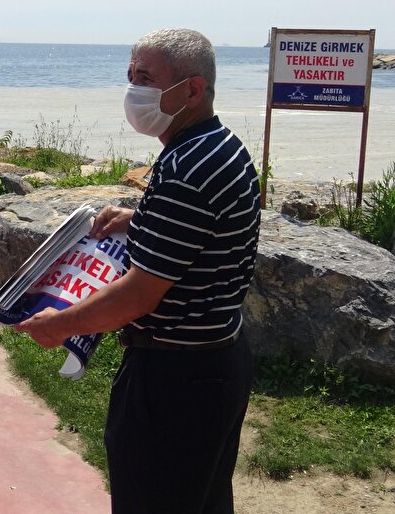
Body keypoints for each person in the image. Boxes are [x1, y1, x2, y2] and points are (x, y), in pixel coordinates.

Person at [16, 28, 259, 514]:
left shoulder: (186, 170)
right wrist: (140, 218)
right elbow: (205, 231)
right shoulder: (216, 146)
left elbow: (138, 296)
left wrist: (60, 324)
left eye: (146, 78)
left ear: (192, 89)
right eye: (130, 76)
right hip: (214, 364)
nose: (133, 89)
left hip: (174, 381)